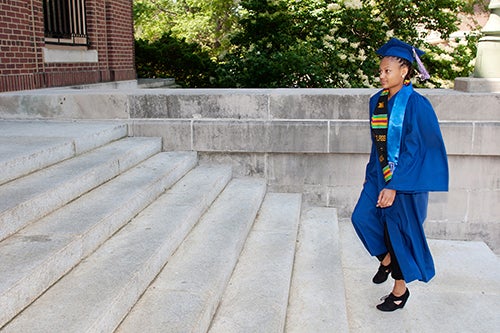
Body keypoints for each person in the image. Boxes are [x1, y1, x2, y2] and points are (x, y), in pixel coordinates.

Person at [351, 38, 449, 312]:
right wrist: (372, 176)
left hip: (406, 181)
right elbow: (378, 144)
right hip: (379, 175)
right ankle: (385, 259)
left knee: (399, 234)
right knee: (361, 217)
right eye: (380, 71)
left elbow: (417, 149)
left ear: (404, 71)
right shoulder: (377, 102)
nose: (381, 75)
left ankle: (399, 290)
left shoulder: (417, 105)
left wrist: (395, 185)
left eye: (387, 70)